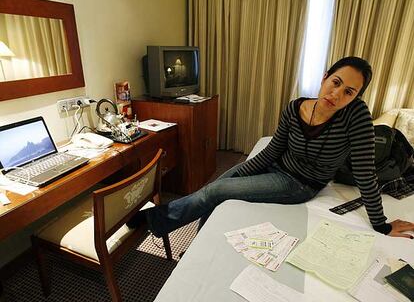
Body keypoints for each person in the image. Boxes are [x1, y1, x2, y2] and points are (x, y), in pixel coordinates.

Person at [128, 56, 414, 239]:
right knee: (219, 186)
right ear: (326, 76)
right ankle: (200, 241)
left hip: (300, 184)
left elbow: (365, 171)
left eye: (349, 92)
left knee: (215, 191)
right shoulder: (295, 107)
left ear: (356, 97)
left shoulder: (357, 117)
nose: (337, 94)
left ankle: (154, 219)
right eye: (336, 83)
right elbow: (272, 150)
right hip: (275, 167)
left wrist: (381, 225)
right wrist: (238, 174)